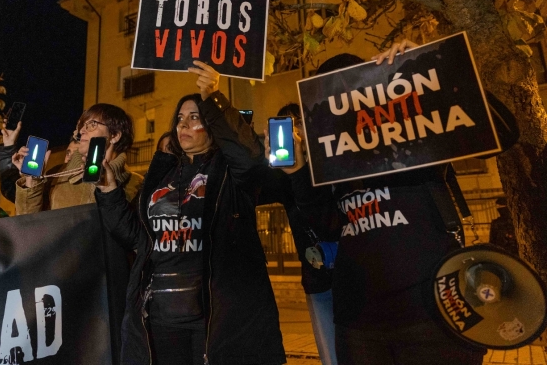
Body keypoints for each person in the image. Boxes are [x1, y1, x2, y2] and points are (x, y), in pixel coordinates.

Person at [281, 40, 490, 365]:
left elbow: (485, 127)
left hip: (430, 310)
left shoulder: (412, 133)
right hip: (361, 321)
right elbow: (329, 227)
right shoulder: (329, 161)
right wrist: (298, 173)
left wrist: (421, 71)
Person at [94, 61, 285, 365]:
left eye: (195, 117)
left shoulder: (229, 173)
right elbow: (135, 236)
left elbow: (248, 159)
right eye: (180, 118)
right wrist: (108, 191)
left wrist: (213, 97)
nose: (183, 124)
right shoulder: (164, 176)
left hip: (213, 321)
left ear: (211, 124)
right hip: (159, 320)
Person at [273, 103, 340, 365]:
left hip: (355, 276)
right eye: (286, 126)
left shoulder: (332, 162)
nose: (294, 132)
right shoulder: (282, 176)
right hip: (318, 281)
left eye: (298, 123)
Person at [13, 103, 143, 214]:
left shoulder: (137, 184)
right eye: (82, 125)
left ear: (114, 135)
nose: (82, 131)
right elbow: (27, 224)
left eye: (92, 124)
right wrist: (32, 181)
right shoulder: (55, 176)